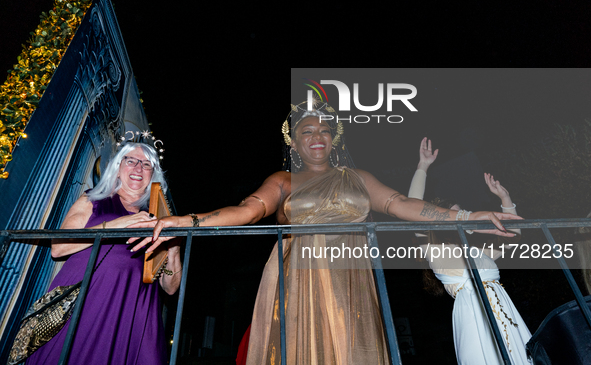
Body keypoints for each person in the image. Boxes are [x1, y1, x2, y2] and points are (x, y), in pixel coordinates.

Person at [129, 100, 520, 364]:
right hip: (297, 275)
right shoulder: (284, 179)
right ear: (294, 143)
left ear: (334, 140)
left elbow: (402, 203)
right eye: (306, 132)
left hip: (350, 275)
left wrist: (467, 215)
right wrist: (186, 221)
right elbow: (247, 210)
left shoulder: (358, 177)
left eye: (324, 131)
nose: (317, 137)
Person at [26, 141, 181, 365]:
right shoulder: (93, 200)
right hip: (91, 300)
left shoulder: (155, 219)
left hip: (135, 310)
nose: (138, 168)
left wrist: (175, 245)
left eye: (147, 165)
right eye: (131, 161)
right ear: (117, 167)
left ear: (153, 175)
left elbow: (170, 286)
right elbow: (58, 246)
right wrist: (121, 223)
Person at [409, 137, 531, 364]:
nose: (462, 219)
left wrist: (505, 198)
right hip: (473, 310)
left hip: (503, 307)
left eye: (462, 213)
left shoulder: (477, 251)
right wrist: (422, 167)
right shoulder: (436, 251)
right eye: (454, 216)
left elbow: (512, 237)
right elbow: (411, 208)